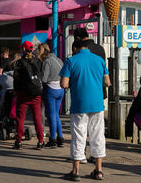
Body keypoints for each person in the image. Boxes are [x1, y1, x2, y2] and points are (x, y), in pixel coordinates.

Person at [59, 39, 111, 181]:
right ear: (87, 47)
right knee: (98, 135)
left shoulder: (71, 61)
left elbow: (63, 84)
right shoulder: (99, 60)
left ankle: (75, 172)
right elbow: (107, 82)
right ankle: (98, 170)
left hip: (79, 104)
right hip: (97, 104)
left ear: (75, 48)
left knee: (78, 135)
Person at [13, 41, 44, 150]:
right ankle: (40, 141)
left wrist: (16, 91)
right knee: (37, 117)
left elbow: (16, 79)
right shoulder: (38, 61)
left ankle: (19, 141)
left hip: (23, 94)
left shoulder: (19, 62)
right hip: (36, 94)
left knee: (21, 118)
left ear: (24, 49)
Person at [39, 43, 65, 149]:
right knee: (56, 115)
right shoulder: (59, 60)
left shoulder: (47, 62)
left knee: (51, 115)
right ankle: (61, 138)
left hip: (50, 90)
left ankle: (53, 139)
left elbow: (44, 79)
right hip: (60, 89)